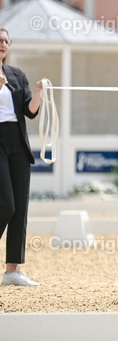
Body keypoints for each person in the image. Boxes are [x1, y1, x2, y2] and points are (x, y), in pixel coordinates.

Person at [0, 26, 47, 286]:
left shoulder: (17, 75)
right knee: (5, 204)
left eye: (6, 41)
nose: (3, 44)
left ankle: (12, 271)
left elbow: (30, 111)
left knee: (20, 209)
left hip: (18, 145)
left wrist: (39, 92)